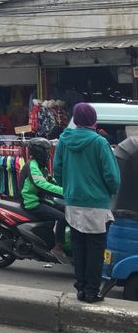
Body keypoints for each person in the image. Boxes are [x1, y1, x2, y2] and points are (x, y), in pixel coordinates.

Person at [53, 102, 120, 303]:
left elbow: (57, 171)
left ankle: (80, 288)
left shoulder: (64, 141)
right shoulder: (100, 143)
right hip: (97, 204)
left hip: (73, 203)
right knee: (96, 249)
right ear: (93, 120)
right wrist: (109, 193)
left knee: (78, 247)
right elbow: (112, 177)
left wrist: (70, 188)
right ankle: (92, 291)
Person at [19, 137, 68, 261]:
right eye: (47, 151)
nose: (49, 154)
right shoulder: (32, 165)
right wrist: (66, 193)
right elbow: (41, 184)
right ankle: (58, 247)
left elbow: (51, 182)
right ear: (39, 152)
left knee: (69, 210)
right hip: (32, 202)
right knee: (63, 217)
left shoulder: (42, 167)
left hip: (42, 200)